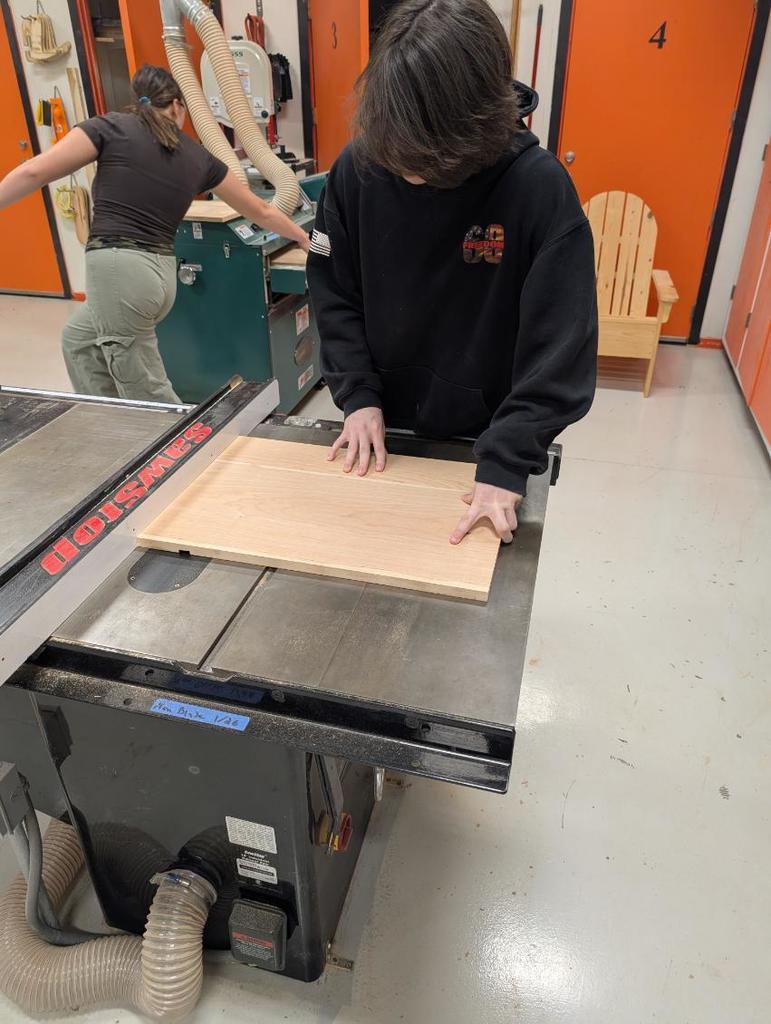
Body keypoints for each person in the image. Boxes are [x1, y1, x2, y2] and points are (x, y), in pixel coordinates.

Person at [307, 0, 598, 545]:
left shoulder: (537, 190)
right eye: (397, 150)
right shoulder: (358, 168)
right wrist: (357, 395)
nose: (407, 168)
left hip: (486, 440)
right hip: (380, 428)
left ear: (474, 122)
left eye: (424, 153)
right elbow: (333, 294)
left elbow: (561, 351)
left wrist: (508, 460)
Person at [0, 65, 310, 403]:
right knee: (79, 341)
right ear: (177, 106)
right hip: (160, 278)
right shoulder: (197, 155)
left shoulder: (109, 128)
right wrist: (300, 236)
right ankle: (111, 423)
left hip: (120, 271)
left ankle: (188, 451)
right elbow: (262, 211)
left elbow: (33, 172)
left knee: (146, 389)